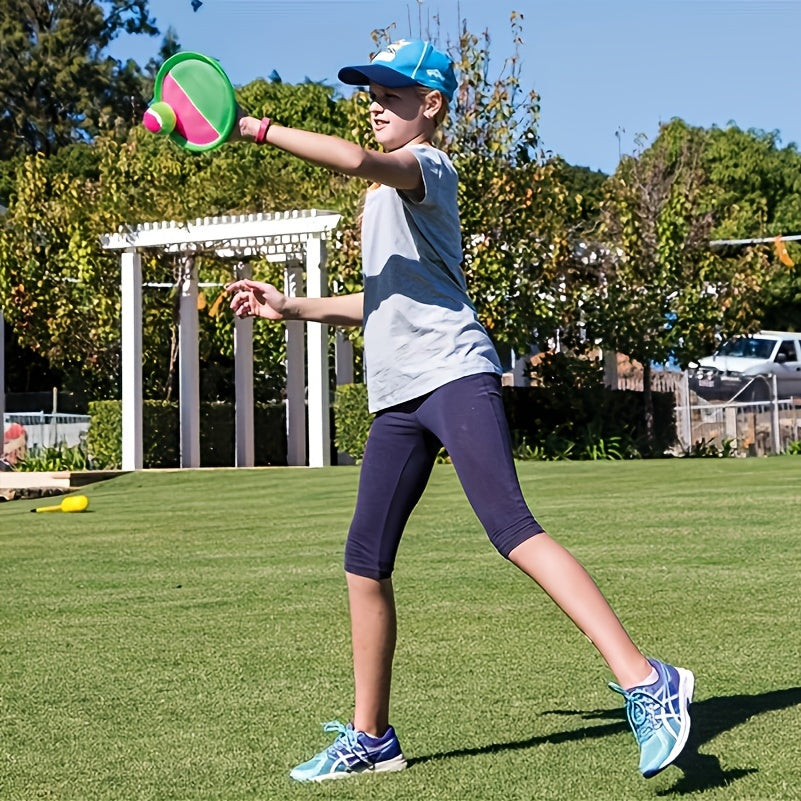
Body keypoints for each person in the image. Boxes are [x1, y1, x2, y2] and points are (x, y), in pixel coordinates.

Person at [226, 38, 693, 783]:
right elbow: (382, 299)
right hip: (399, 398)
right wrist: (292, 307)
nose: (375, 104)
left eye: (392, 93)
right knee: (363, 561)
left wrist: (255, 128)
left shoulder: (424, 168)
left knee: (510, 528)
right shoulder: (380, 199)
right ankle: (370, 734)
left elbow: (353, 158)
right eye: (369, 92)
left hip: (452, 375)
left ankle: (647, 680)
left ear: (431, 106)